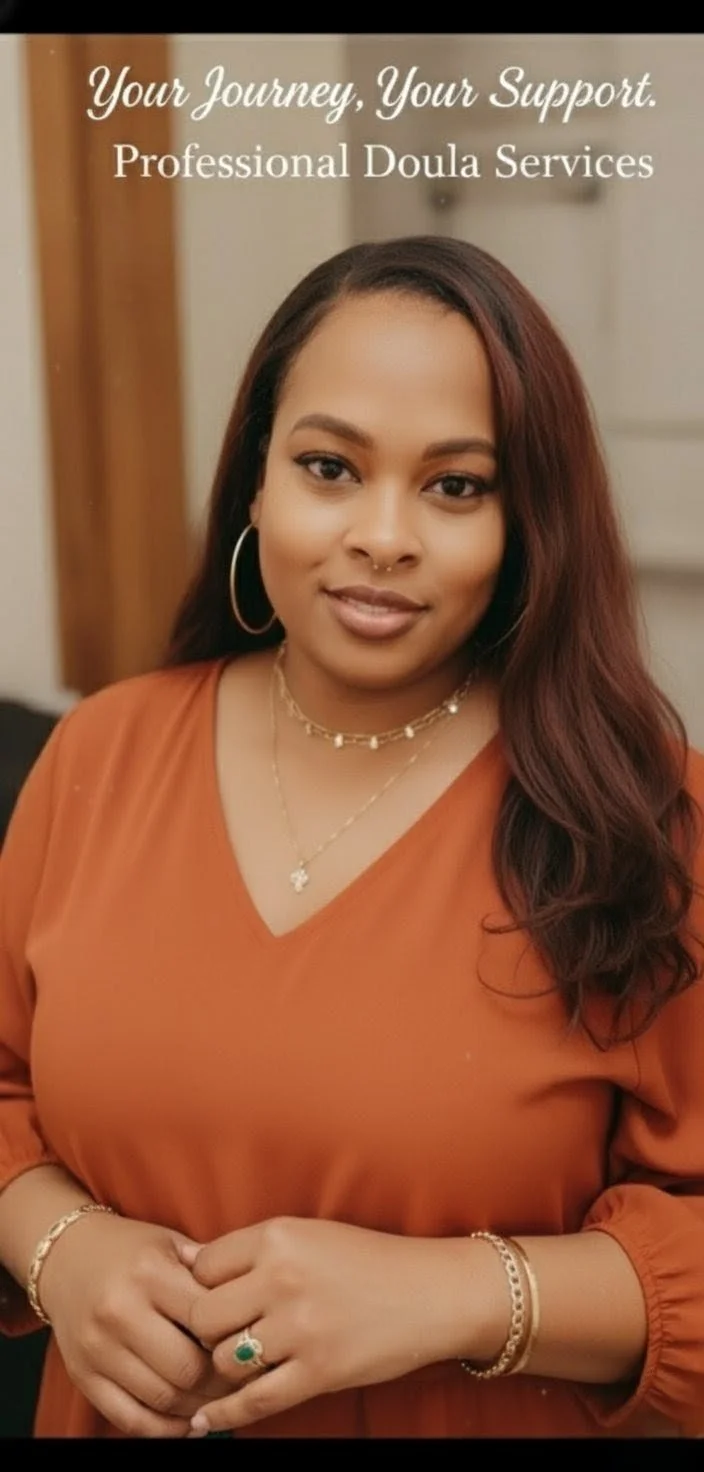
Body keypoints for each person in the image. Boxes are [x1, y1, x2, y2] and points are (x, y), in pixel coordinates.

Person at [0, 235, 703, 1441]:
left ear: (526, 520)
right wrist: (61, 1244)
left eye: (454, 485)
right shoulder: (99, 756)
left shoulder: (643, 815)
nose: (383, 534)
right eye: (329, 467)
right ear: (255, 480)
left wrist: (454, 1293)